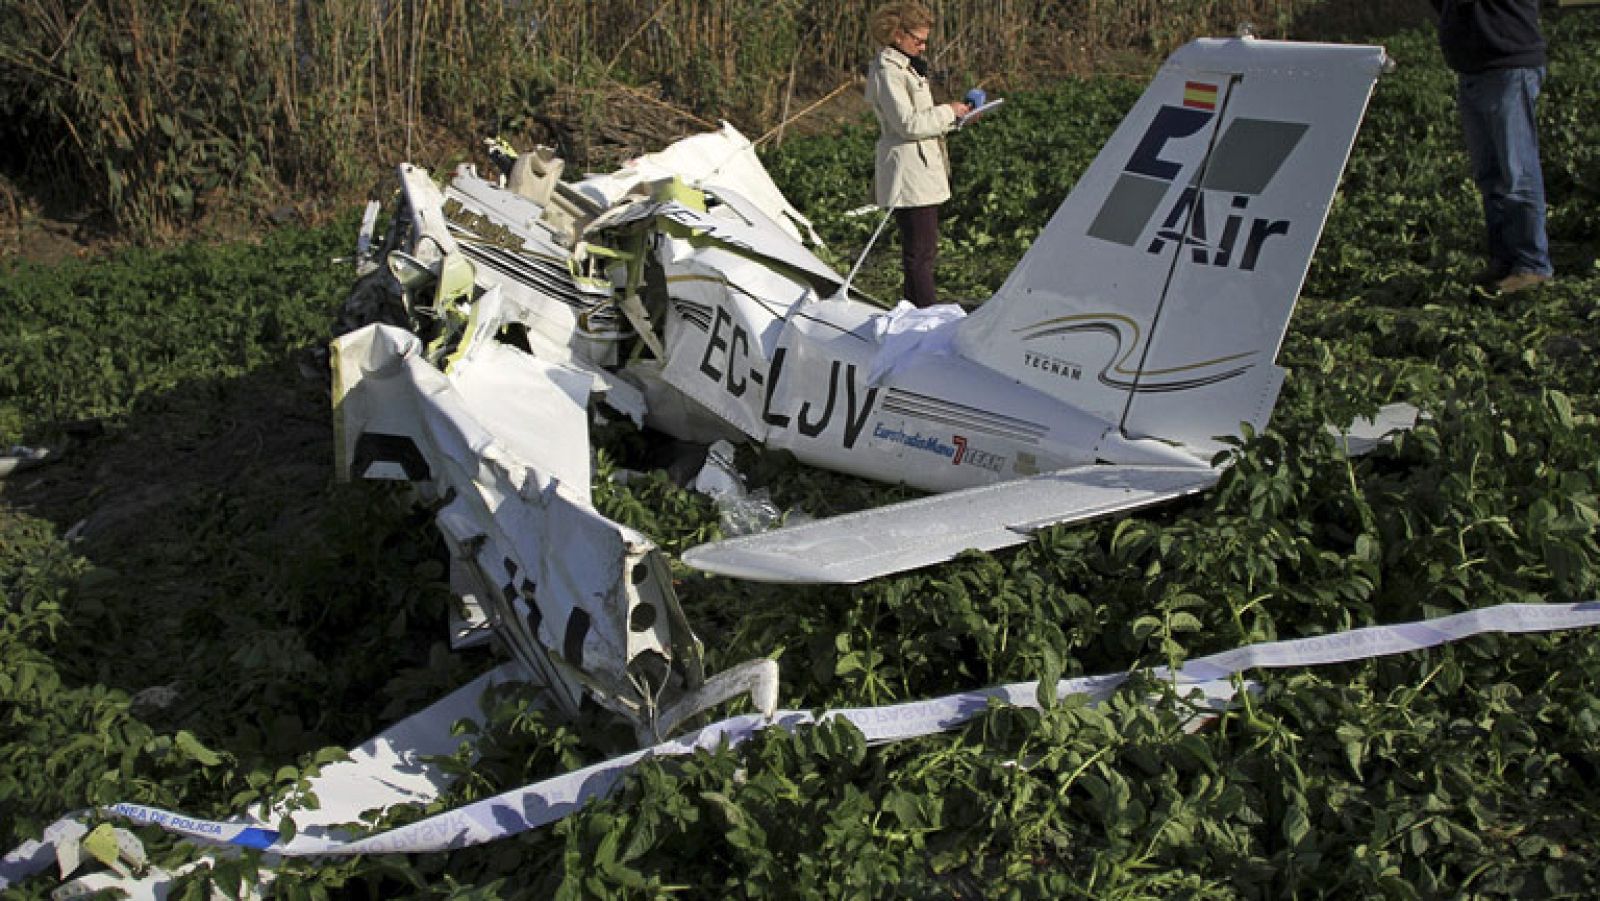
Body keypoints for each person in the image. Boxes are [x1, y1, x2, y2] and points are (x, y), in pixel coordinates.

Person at [1431, 0, 1554, 294]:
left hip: (1508, 62)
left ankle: (1532, 264)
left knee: (1516, 172)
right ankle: (1505, 260)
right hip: (1475, 65)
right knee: (1490, 174)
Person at [865, 2, 971, 308]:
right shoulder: (888, 71)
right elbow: (908, 124)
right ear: (898, 34)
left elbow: (922, 120)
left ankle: (915, 311)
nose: (923, 47)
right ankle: (926, 315)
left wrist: (956, 117)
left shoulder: (905, 66)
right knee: (920, 253)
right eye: (919, 40)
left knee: (922, 251)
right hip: (909, 171)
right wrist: (947, 111)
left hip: (921, 168)